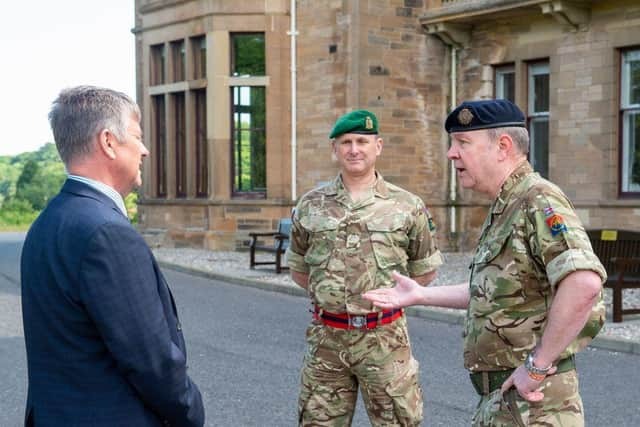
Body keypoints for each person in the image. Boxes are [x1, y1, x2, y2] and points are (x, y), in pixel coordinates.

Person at [363, 99, 606, 426]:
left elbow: (584, 284)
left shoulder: (537, 199)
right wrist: (420, 295)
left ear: (503, 146)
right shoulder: (507, 204)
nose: (451, 154)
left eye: (463, 143)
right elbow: (496, 290)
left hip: (535, 405)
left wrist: (536, 367)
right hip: (506, 400)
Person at [20, 86, 205, 427]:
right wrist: (191, 412)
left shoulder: (48, 221)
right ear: (108, 142)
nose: (145, 150)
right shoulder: (106, 232)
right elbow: (151, 360)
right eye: (137, 136)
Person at [286, 109, 444, 426]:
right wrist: (336, 299)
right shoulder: (311, 205)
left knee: (398, 422)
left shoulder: (407, 205)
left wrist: (383, 300)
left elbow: (424, 271)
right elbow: (300, 270)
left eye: (362, 141)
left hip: (385, 339)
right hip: (327, 339)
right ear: (335, 149)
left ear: (378, 146)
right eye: (346, 142)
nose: (354, 149)